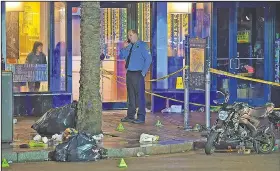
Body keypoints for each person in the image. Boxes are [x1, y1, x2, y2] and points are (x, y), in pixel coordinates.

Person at [119, 30, 152, 124]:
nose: (129, 37)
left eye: (131, 35)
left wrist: (143, 73)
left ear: (136, 35)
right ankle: (130, 115)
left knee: (140, 96)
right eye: (128, 35)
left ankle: (141, 116)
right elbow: (122, 56)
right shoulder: (129, 47)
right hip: (129, 73)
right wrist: (124, 48)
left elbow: (148, 60)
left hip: (138, 73)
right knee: (131, 96)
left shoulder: (142, 45)